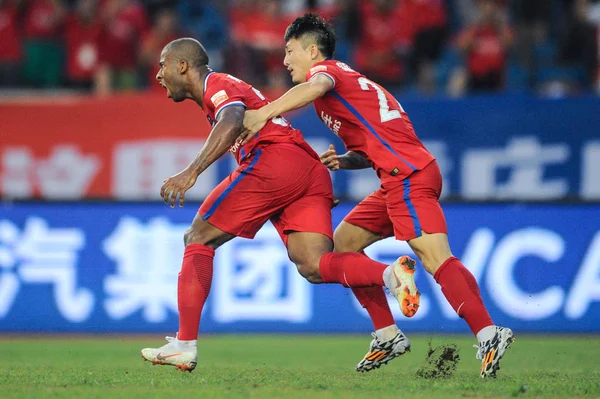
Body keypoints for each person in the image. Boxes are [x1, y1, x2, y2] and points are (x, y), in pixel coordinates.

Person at [241, 13, 514, 378]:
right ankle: (387, 335)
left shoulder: (329, 73)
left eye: (290, 51)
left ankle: (487, 333)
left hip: (408, 176)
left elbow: (317, 85)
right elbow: (373, 146)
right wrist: (345, 160)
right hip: (397, 178)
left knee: (435, 258)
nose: (285, 60)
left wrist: (265, 112)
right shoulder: (346, 86)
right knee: (341, 247)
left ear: (312, 51)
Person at [140, 37, 421, 372]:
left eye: (163, 65)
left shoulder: (217, 84)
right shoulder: (221, 89)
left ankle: (184, 344)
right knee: (314, 265)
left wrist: (192, 172)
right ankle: (390, 279)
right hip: (308, 169)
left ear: (182, 66)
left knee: (197, 237)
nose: (159, 75)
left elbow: (231, 120)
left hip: (274, 161)